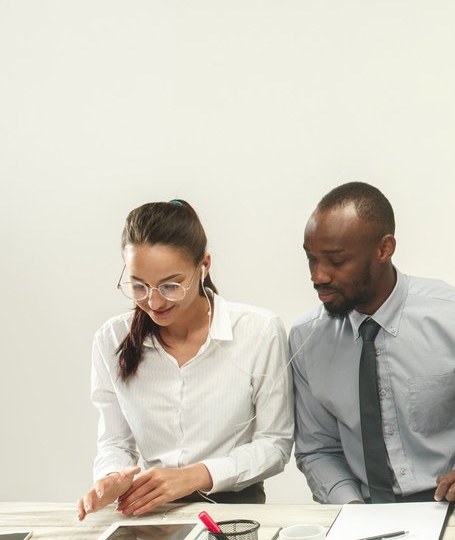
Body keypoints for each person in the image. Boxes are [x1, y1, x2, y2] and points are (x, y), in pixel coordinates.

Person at [291, 182, 455, 510]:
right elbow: (318, 449)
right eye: (312, 260)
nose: (319, 276)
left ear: (384, 249)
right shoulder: (307, 340)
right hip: (361, 514)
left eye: (336, 261)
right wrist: (350, 509)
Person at [77, 199, 293, 520]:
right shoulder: (112, 339)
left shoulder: (259, 332)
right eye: (138, 286)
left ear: (203, 266)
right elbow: (115, 443)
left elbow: (275, 444)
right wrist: (111, 478)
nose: (153, 301)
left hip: (233, 509)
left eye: (170, 285)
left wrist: (196, 476)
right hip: (149, 508)